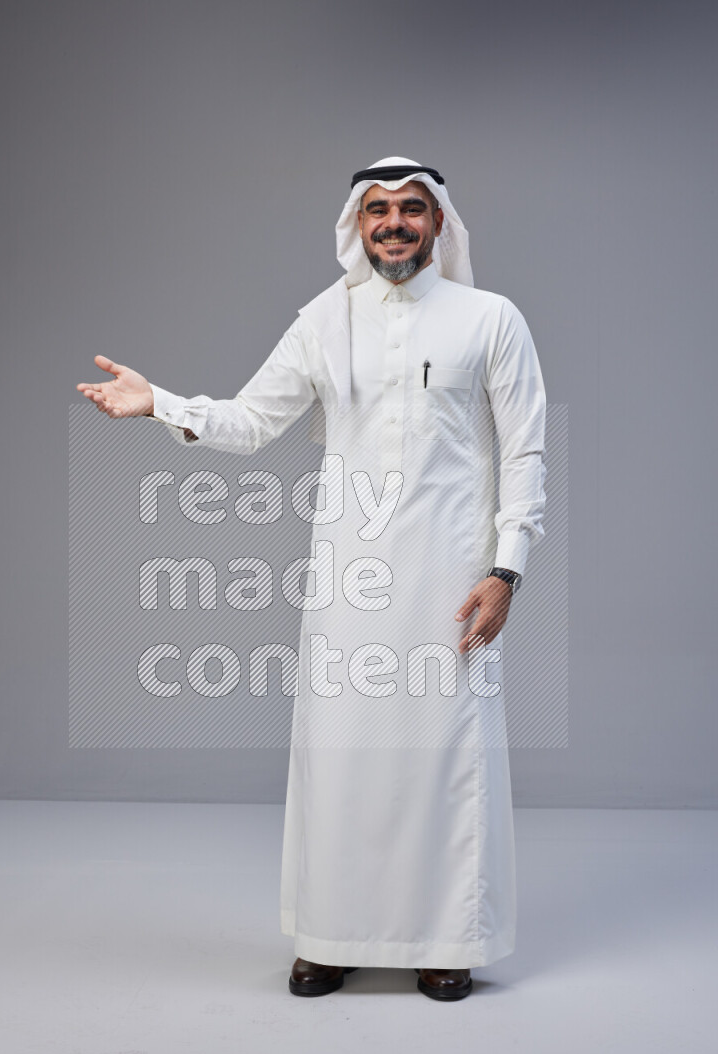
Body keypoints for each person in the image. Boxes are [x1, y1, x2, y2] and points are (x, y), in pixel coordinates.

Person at [77, 156, 547, 1002]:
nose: (394, 223)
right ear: (356, 225)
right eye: (378, 210)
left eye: (411, 209)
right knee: (341, 761)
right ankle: (332, 936)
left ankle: (446, 939)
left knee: (444, 758)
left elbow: (524, 453)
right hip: (349, 582)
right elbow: (252, 422)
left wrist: (505, 568)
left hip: (454, 581)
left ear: (440, 223)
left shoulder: (491, 319)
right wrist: (162, 403)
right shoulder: (323, 322)